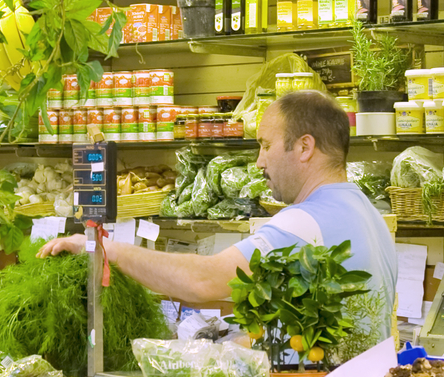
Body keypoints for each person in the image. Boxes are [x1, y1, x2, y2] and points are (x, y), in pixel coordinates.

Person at [39, 89, 397, 353]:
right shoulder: (369, 214)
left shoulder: (305, 223)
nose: (259, 162)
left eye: (265, 145)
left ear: (304, 147)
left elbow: (203, 280)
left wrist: (106, 250)